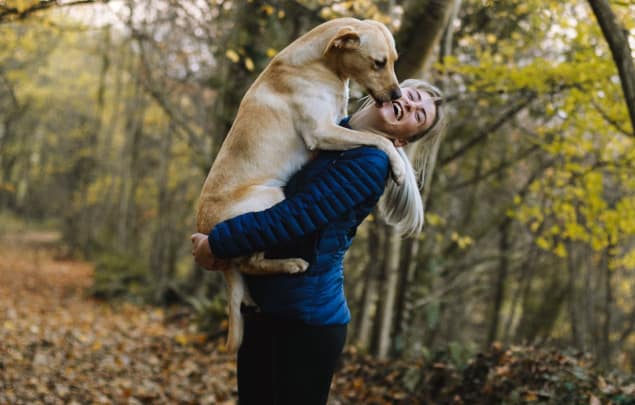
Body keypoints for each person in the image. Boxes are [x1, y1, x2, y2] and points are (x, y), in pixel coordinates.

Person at [191, 79, 447, 405]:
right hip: (263, 308)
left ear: (401, 140)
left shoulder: (370, 163)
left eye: (419, 115)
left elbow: (294, 218)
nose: (411, 105)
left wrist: (219, 243)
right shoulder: (328, 132)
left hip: (306, 324)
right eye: (411, 96)